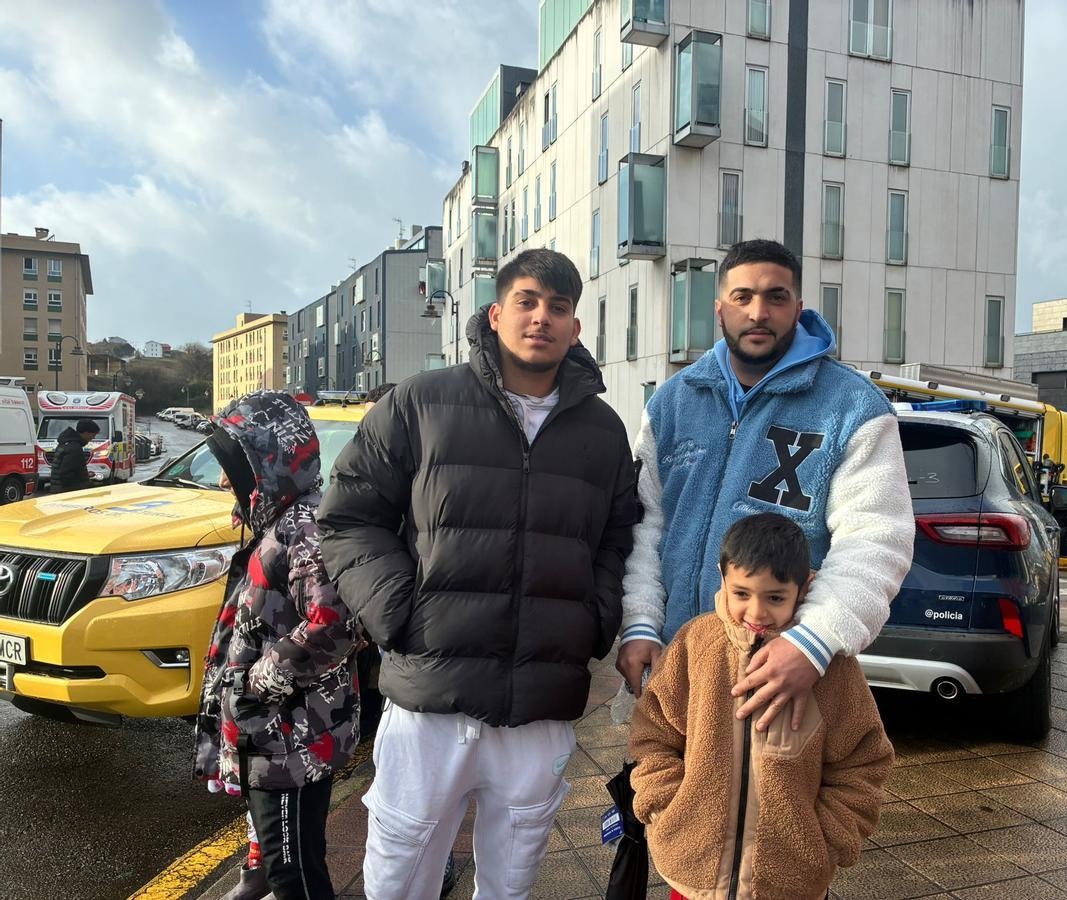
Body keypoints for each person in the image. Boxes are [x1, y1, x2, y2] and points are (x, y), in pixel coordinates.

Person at [317, 248, 637, 899]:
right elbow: (348, 516)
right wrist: (399, 614)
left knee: (512, 880)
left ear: (576, 326)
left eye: (558, 306)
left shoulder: (603, 433)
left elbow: (618, 538)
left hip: (541, 703)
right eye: (526, 301)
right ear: (495, 315)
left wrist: (592, 622)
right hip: (430, 693)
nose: (541, 317)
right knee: (398, 875)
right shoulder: (421, 403)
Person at [619, 239, 914, 733]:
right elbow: (645, 527)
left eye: (776, 297)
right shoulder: (672, 403)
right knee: (665, 798)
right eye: (742, 297)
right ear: (719, 310)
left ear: (798, 308)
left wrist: (811, 642)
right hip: (675, 667)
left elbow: (875, 538)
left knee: (774, 806)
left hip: (783, 678)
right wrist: (641, 622)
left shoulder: (852, 408)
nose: (759, 312)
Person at [629, 513, 893, 900]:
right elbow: (653, 733)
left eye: (774, 597)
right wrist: (665, 810)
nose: (755, 613)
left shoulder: (833, 668)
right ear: (722, 577)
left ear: (802, 589)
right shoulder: (694, 644)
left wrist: (829, 840)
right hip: (691, 875)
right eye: (742, 593)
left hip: (791, 883)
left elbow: (864, 759)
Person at [194, 391, 360, 900]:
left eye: (233, 467)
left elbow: (335, 624)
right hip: (279, 733)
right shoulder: (280, 519)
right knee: (290, 860)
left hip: (287, 735)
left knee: (296, 875)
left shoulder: (302, 527)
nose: (224, 480)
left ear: (266, 464)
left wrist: (253, 683)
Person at [48, 418, 100, 493]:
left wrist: (84, 475)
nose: (93, 438)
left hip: (58, 489)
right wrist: (83, 483)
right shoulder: (74, 448)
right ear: (86, 433)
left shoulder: (65, 443)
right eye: (93, 435)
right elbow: (66, 474)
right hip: (67, 492)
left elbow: (70, 469)